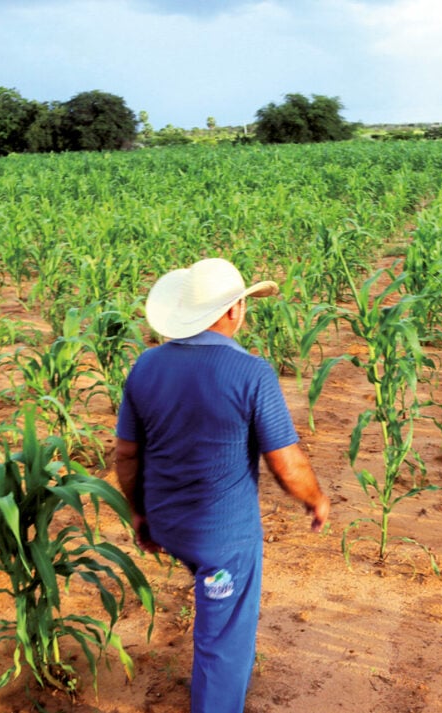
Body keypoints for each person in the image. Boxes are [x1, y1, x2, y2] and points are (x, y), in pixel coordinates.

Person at [115, 257, 331, 713]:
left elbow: (127, 456)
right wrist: (316, 499)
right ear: (235, 310)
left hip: (167, 524)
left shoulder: (145, 367)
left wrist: (140, 513)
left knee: (209, 582)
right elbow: (286, 465)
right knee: (222, 644)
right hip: (221, 540)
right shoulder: (252, 373)